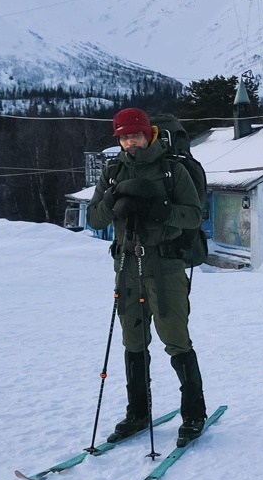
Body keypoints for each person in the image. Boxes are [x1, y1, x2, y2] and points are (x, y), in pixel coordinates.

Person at [86, 106, 209, 447]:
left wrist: (160, 211)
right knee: (133, 342)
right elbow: (95, 219)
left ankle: (194, 414)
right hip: (126, 268)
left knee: (176, 340)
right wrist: (114, 198)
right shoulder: (112, 171)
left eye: (134, 135)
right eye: (123, 137)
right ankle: (137, 413)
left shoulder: (172, 169)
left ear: (148, 133)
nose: (130, 143)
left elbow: (194, 215)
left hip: (164, 267)